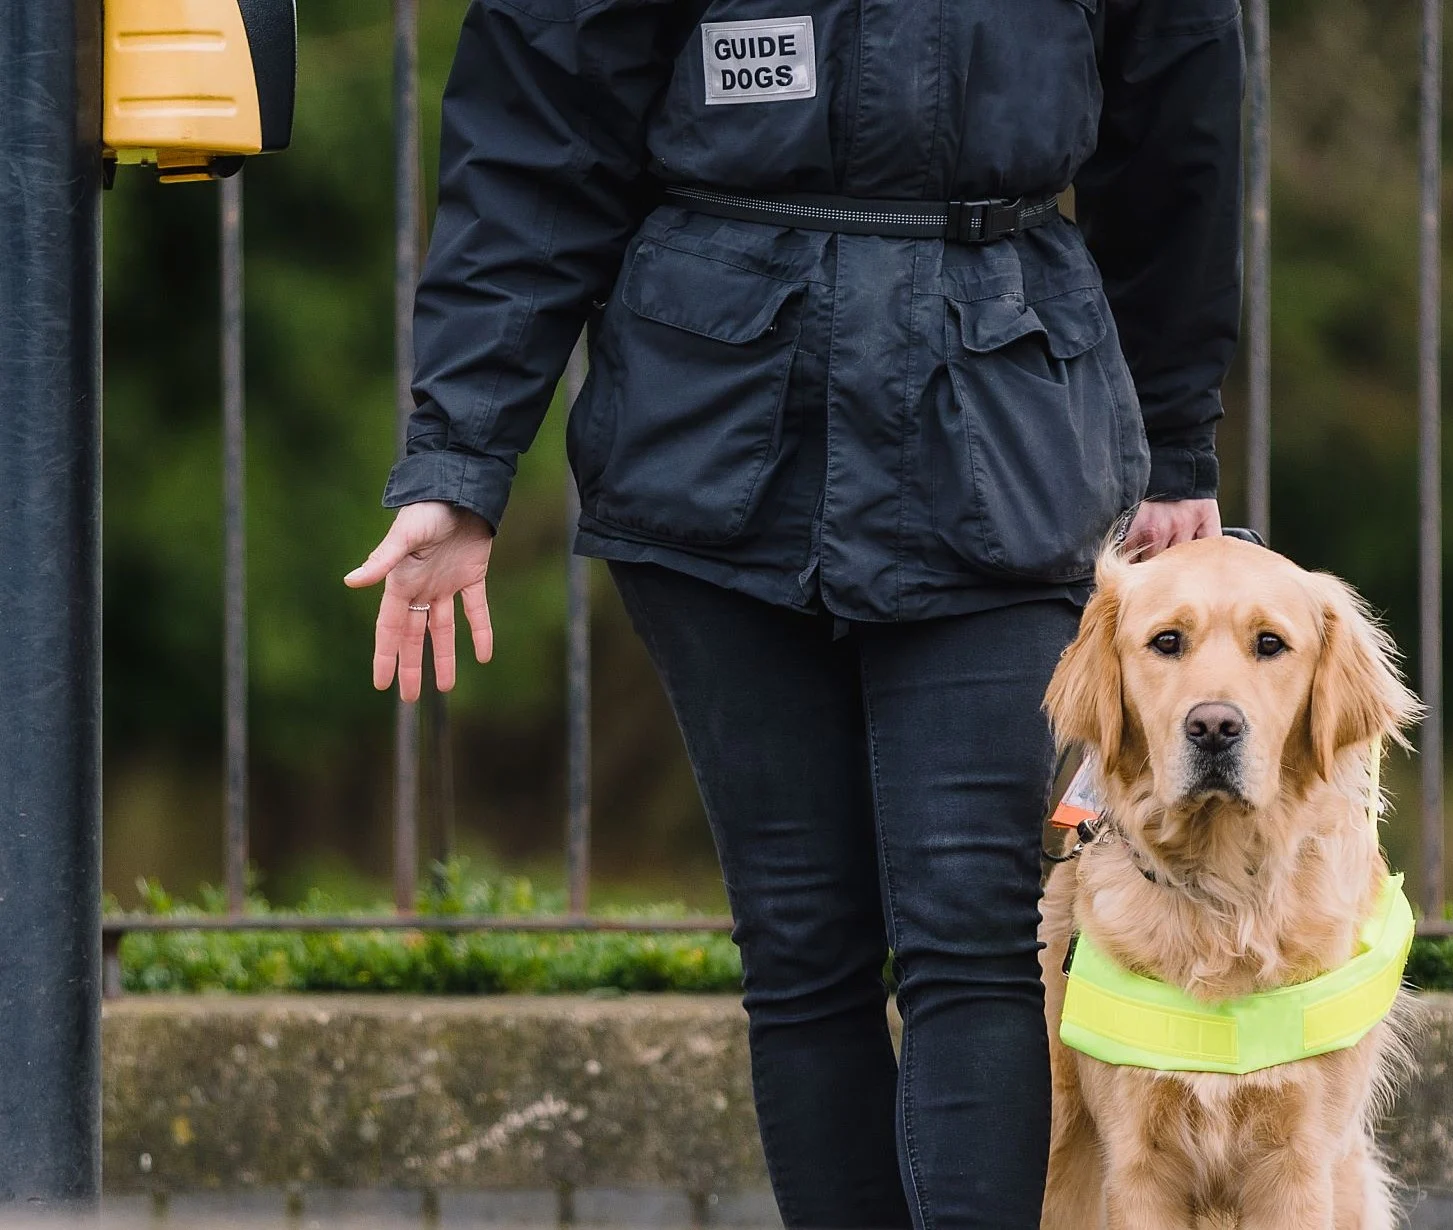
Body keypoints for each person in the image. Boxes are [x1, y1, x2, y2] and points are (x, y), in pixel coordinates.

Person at [346, 1, 1241, 1224]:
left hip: (1002, 429)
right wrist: (460, 458)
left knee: (972, 931)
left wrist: (1178, 437)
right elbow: (539, 130)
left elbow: (1177, 126)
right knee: (803, 949)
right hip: (714, 438)